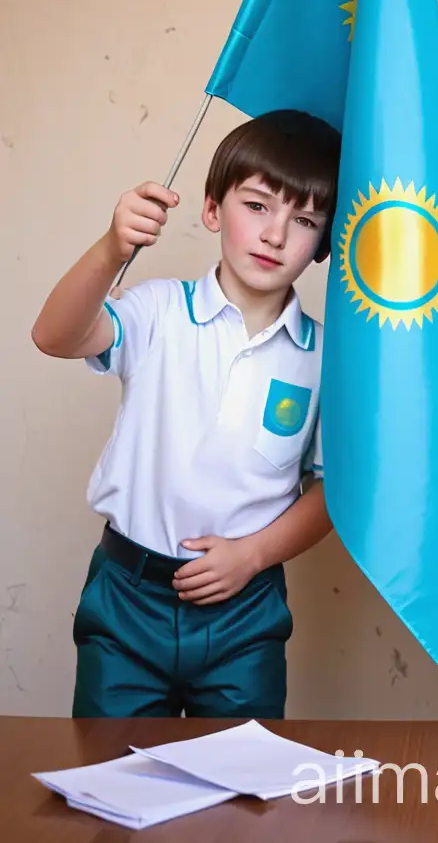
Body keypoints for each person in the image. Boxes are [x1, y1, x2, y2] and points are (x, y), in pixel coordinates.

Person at [32, 109, 341, 718]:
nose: (275, 234)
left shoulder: (325, 358)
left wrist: (252, 555)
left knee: (240, 797)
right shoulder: (157, 313)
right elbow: (54, 335)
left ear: (325, 243)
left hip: (244, 613)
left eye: (303, 219)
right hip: (127, 600)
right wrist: (111, 247)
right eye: (256, 205)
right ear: (211, 209)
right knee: (110, 785)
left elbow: (334, 492)